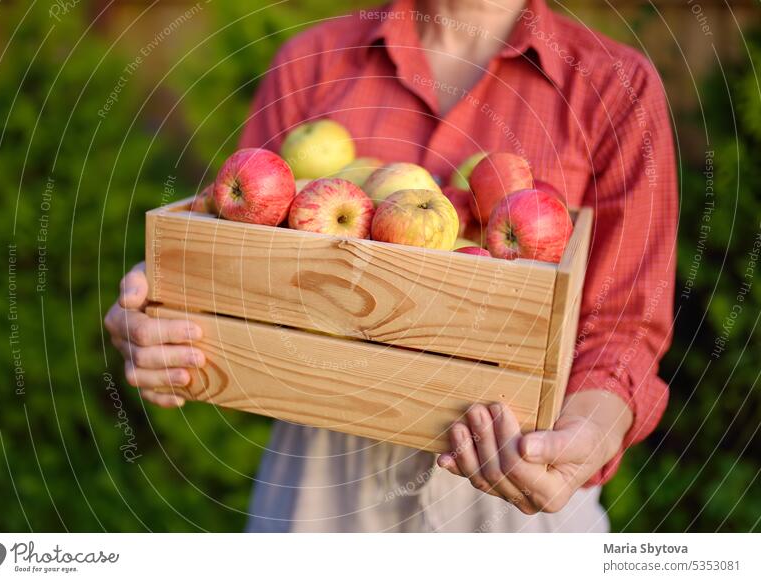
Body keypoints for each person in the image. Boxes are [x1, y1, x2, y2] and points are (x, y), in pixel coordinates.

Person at [104, 0, 676, 532]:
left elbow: (624, 327)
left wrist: (584, 437)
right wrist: (174, 322)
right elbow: (243, 250)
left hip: (508, 477)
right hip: (322, 484)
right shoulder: (312, 60)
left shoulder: (614, 88)